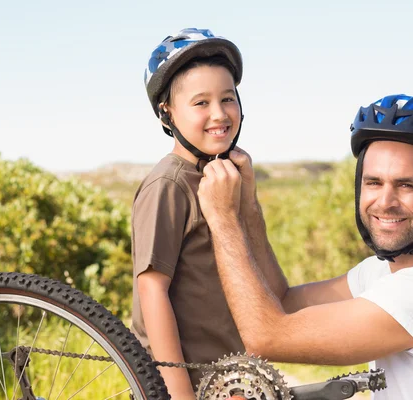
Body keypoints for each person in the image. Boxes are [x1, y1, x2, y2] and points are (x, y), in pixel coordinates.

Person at [197, 94, 413, 399]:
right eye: (373, 183)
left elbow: (266, 337)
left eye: (406, 185)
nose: (385, 202)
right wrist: (249, 206)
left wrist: (223, 218)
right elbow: (285, 302)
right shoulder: (384, 271)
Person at [130, 28, 286, 399]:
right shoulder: (168, 185)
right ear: (167, 111)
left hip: (231, 381)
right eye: (201, 103)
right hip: (188, 384)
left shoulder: (223, 178)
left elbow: (264, 282)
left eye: (227, 98)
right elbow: (152, 291)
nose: (219, 114)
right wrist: (178, 392)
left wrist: (247, 202)